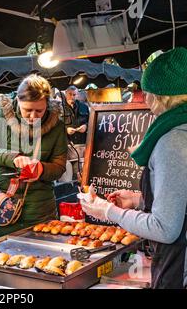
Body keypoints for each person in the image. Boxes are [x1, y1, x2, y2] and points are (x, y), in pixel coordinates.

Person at [80, 47, 187, 289]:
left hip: (180, 269)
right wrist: (139, 200)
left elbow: (165, 229)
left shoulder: (173, 141)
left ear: (159, 95)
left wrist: (108, 211)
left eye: (146, 91)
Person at [0, 74, 68, 236]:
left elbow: (59, 167)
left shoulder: (57, 126)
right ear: (18, 101)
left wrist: (41, 169)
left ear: (47, 104)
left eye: (39, 111)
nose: (33, 116)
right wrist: (13, 158)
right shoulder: (2, 116)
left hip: (41, 212)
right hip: (6, 207)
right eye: (27, 110)